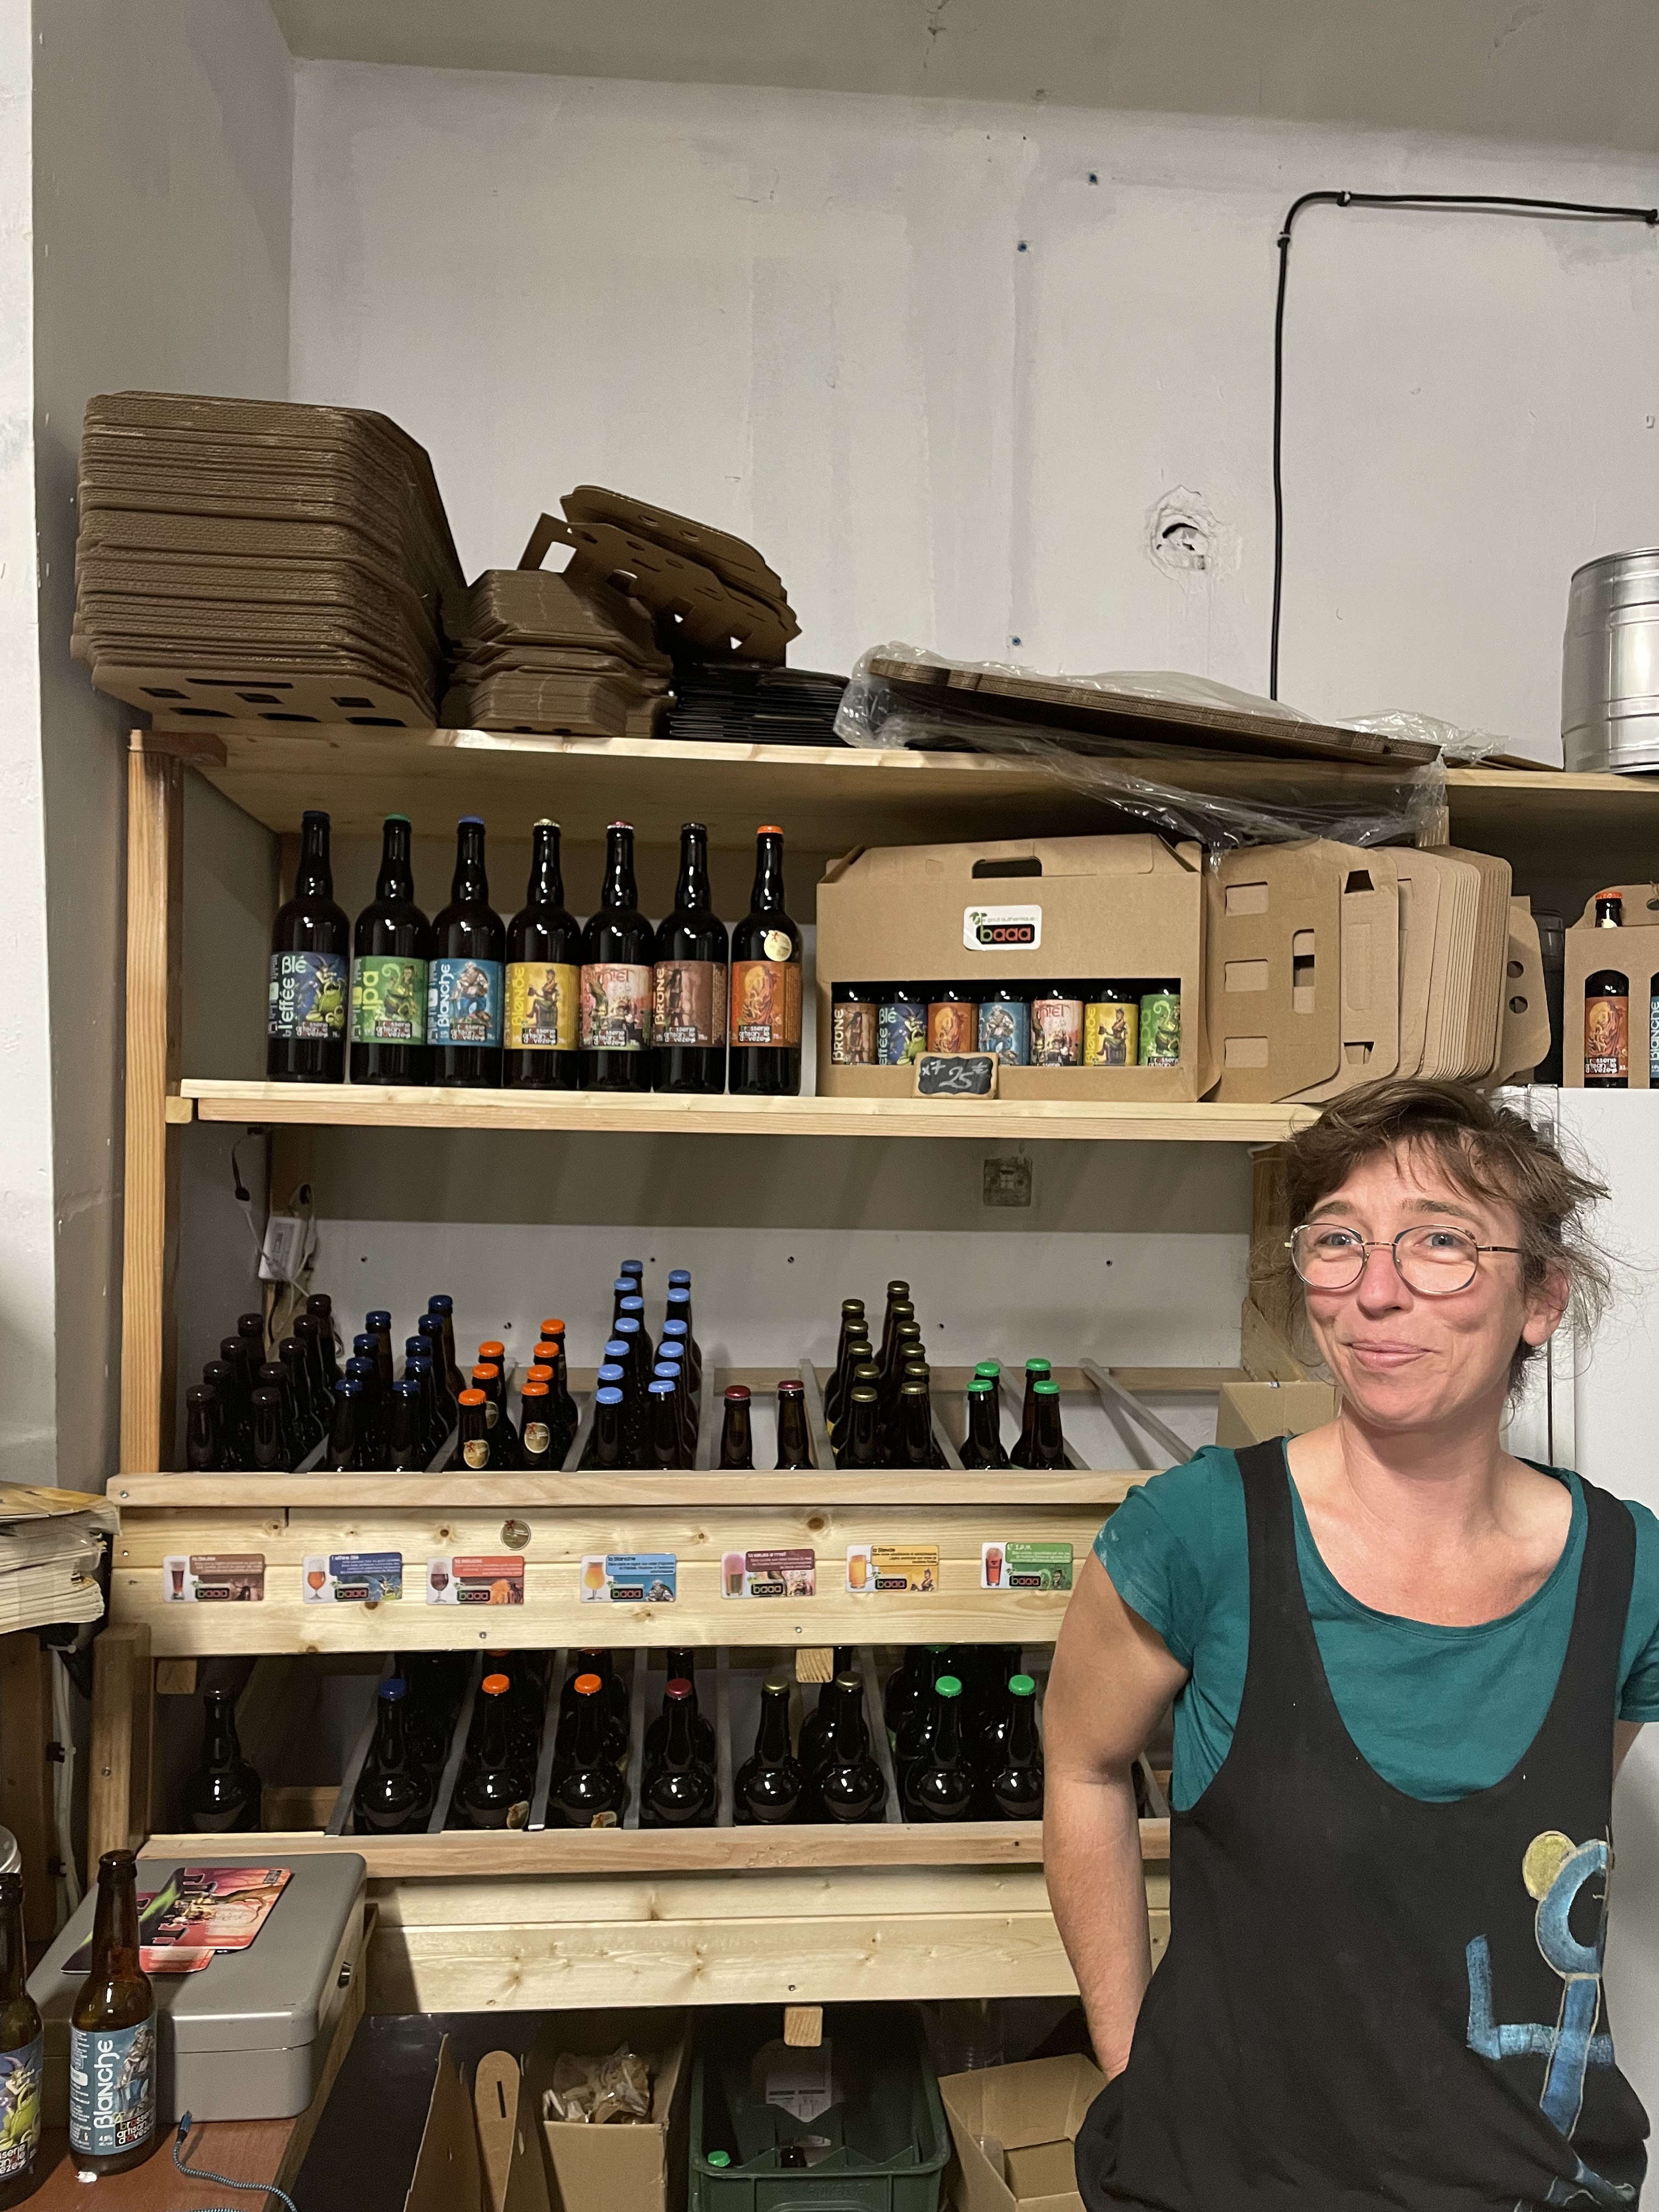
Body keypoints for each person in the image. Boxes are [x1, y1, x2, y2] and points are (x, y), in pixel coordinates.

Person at [1046, 1077, 1659, 2210]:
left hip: (1532, 2183)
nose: (1377, 1291)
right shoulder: (1197, 1535)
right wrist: (1135, 2064)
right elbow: (1083, 1766)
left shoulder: (1628, 1571)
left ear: (1541, 1299)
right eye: (1339, 1242)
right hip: (1229, 2183)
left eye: (1442, 1243)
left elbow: (1518, 1850)